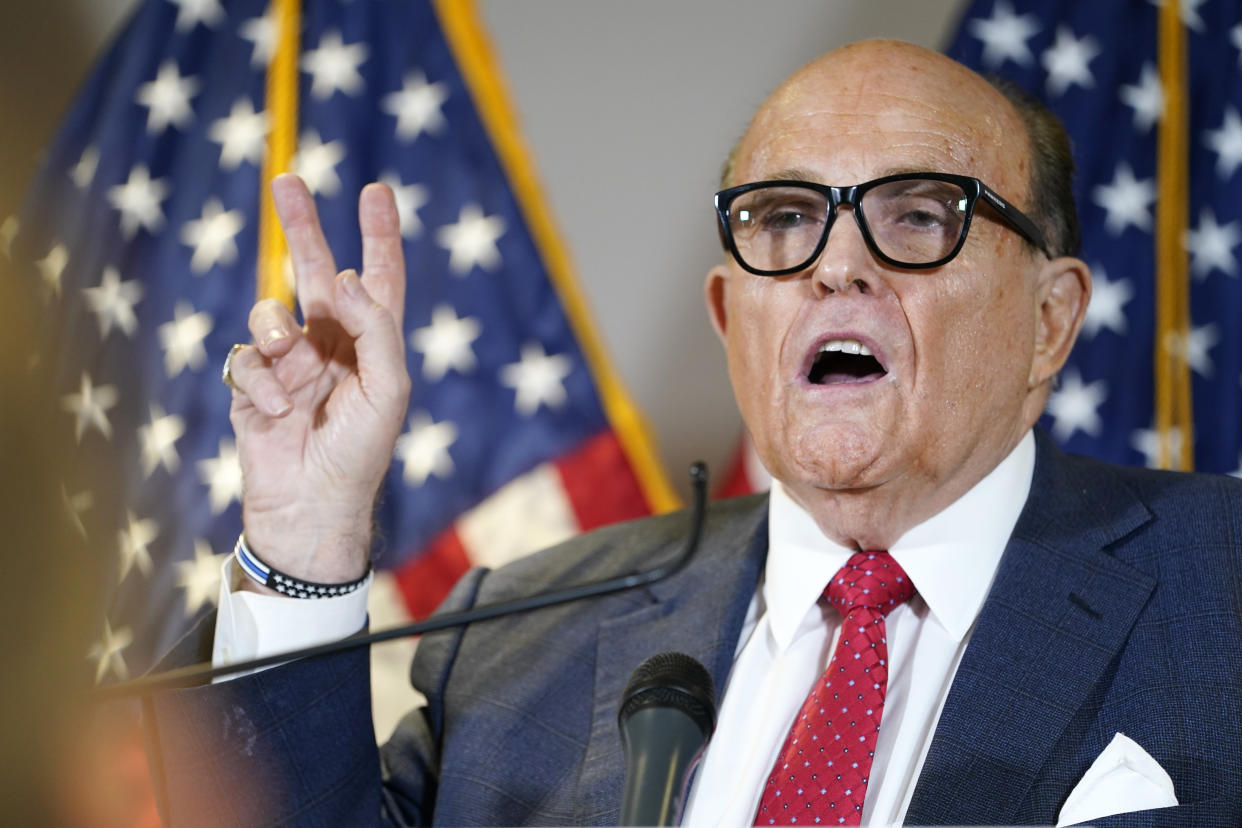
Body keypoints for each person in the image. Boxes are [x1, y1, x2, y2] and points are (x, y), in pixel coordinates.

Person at [144, 40, 1242, 826]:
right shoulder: (516, 645)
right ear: (729, 317)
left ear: (1051, 319)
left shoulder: (1224, 586)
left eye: (917, 213)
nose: (835, 265)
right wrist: (305, 532)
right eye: (785, 218)